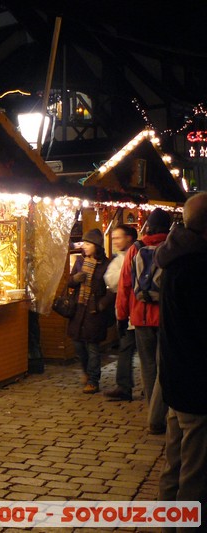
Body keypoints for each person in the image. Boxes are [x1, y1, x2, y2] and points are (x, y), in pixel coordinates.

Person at [155, 192, 207, 509]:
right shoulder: (198, 267)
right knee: (195, 476)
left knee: (173, 466)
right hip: (196, 384)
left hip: (175, 378)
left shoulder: (175, 258)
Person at [116, 207, 171, 433]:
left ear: (148, 226)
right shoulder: (171, 248)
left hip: (140, 316)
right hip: (165, 318)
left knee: (147, 367)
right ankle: (164, 413)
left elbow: (125, 285)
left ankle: (153, 414)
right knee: (165, 366)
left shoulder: (136, 249)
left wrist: (121, 315)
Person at [66, 229, 113, 393]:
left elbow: (112, 289)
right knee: (78, 344)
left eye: (87, 244)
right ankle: (86, 372)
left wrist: (102, 304)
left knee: (92, 347)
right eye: (83, 243)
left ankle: (93, 380)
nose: (83, 246)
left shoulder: (107, 264)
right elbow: (70, 283)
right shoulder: (79, 262)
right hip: (79, 308)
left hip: (94, 311)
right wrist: (75, 279)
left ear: (96, 246)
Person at [103, 224, 138, 401]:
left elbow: (115, 282)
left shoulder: (132, 257)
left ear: (129, 238)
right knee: (127, 350)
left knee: (128, 350)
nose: (115, 241)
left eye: (118, 237)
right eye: (113, 238)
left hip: (134, 313)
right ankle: (125, 386)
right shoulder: (119, 259)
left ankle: (125, 387)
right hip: (127, 312)